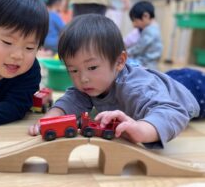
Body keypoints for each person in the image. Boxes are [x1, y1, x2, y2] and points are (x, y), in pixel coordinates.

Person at [28, 14, 200, 149]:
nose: (83, 78)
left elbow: (172, 111)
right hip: (162, 80)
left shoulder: (135, 87)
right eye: (73, 70)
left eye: (92, 67)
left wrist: (141, 129)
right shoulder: (89, 85)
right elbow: (72, 99)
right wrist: (50, 119)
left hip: (192, 89)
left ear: (119, 61)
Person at [127, 1, 163, 70]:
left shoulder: (150, 30)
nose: (135, 24)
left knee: (126, 64)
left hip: (146, 63)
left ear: (145, 16)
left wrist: (128, 52)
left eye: (136, 21)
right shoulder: (154, 28)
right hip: (148, 62)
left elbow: (140, 47)